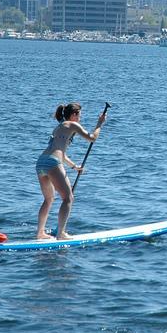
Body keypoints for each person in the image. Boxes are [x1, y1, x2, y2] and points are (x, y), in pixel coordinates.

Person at [35, 102, 107, 240]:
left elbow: (60, 152)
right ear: (74, 115)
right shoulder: (72, 124)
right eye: (79, 115)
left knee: (48, 199)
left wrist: (74, 167)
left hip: (41, 162)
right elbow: (92, 137)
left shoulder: (59, 127)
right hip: (52, 162)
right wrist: (99, 124)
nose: (80, 118)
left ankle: (40, 233)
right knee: (68, 198)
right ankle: (61, 233)